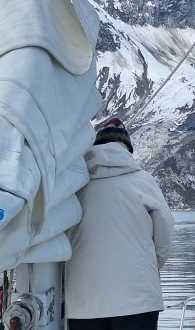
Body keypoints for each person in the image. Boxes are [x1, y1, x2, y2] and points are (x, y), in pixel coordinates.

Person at [65, 117, 175, 330]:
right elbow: (165, 226)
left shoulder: (75, 185)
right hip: (137, 297)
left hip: (84, 300)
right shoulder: (143, 181)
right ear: (127, 148)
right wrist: (151, 265)